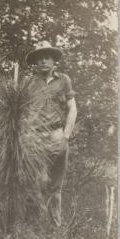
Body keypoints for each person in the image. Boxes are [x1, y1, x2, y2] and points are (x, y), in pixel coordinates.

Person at [26, 41, 77, 226]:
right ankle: (36, 227)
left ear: (53, 59)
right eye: (39, 58)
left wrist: (66, 136)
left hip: (57, 134)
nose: (43, 61)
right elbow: (21, 112)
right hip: (35, 137)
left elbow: (73, 109)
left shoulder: (64, 80)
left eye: (46, 57)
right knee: (37, 182)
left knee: (56, 186)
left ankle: (56, 227)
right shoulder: (29, 82)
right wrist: (26, 136)